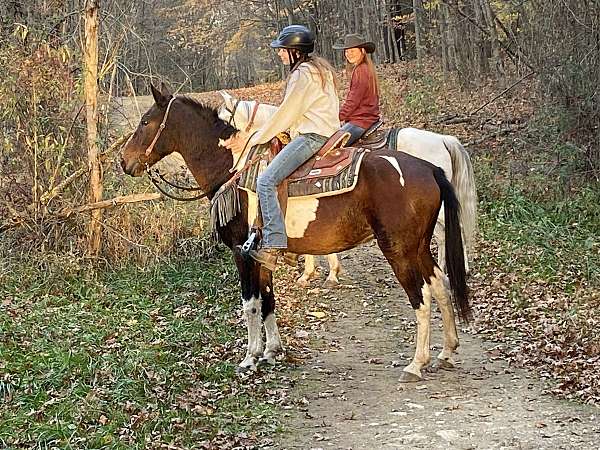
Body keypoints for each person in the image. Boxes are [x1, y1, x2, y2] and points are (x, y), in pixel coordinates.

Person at [224, 25, 340, 270]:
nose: (279, 54)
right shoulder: (320, 70)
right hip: (327, 132)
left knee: (265, 181)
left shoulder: (302, 74)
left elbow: (286, 113)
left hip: (312, 136)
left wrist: (255, 138)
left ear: (295, 52)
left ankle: (274, 243)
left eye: (282, 50)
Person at [333, 33, 381, 145]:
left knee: (331, 148)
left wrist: (337, 117)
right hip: (365, 119)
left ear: (362, 51)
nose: (348, 54)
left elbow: (353, 101)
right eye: (346, 51)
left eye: (352, 51)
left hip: (360, 121)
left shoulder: (360, 71)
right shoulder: (366, 68)